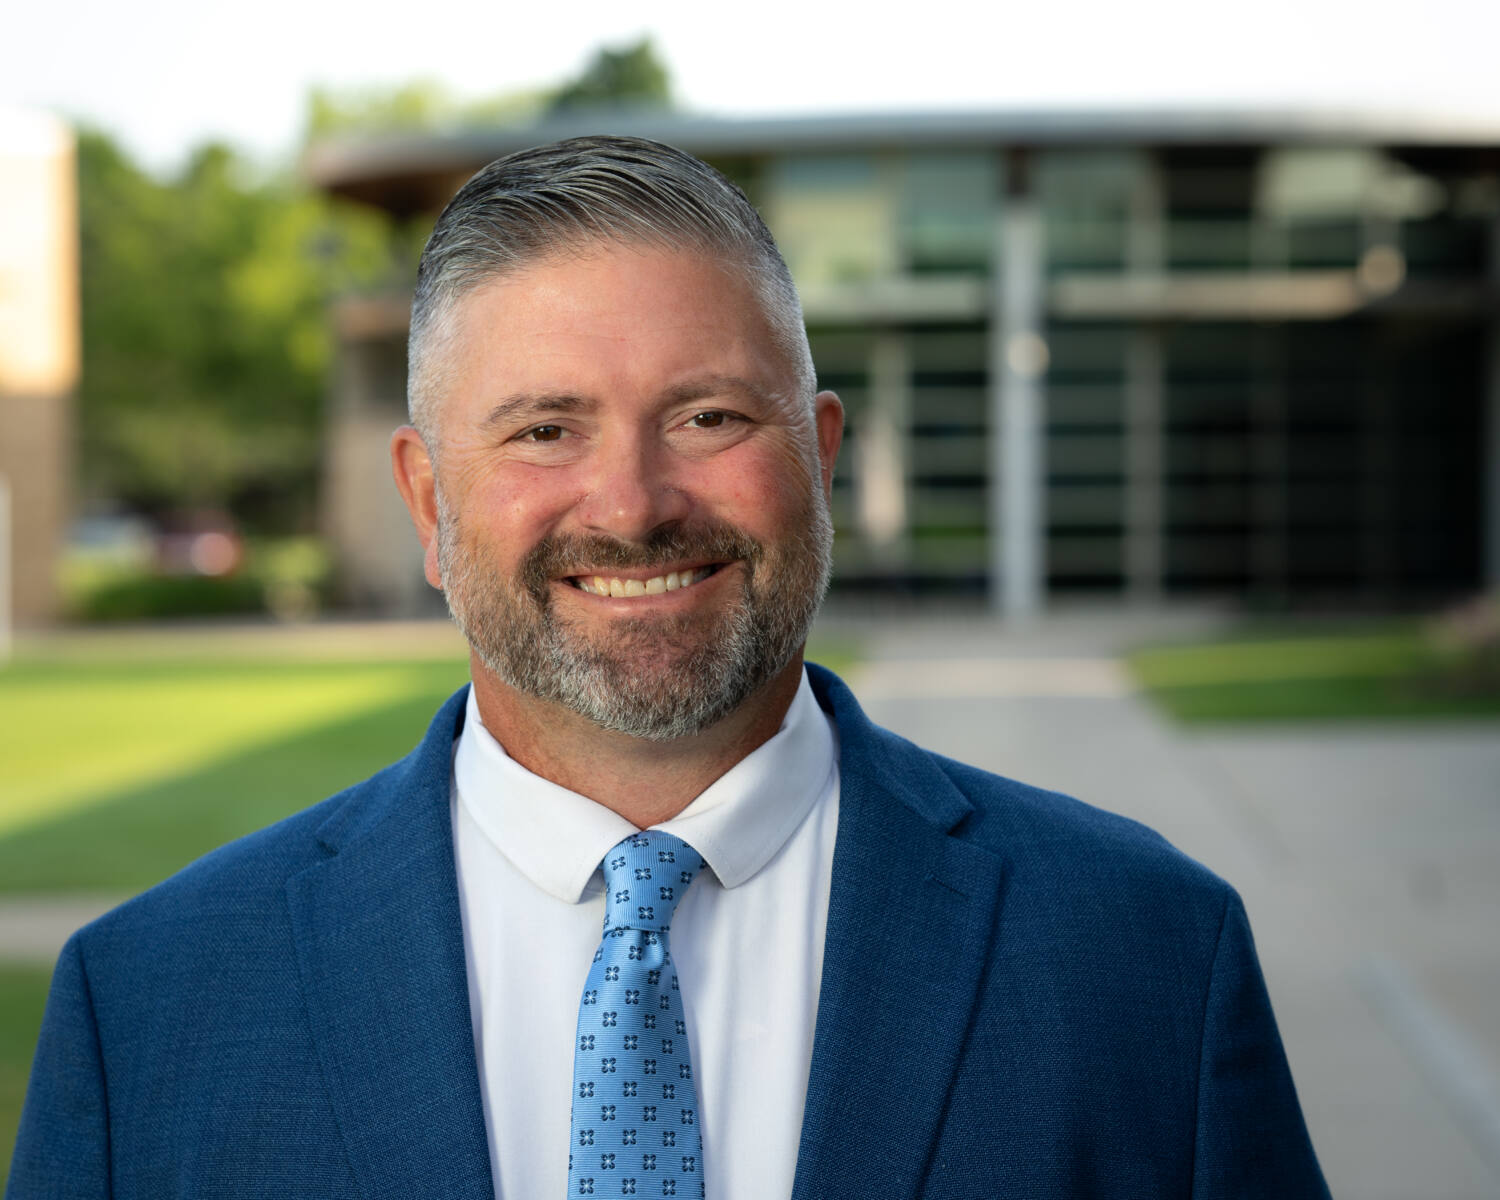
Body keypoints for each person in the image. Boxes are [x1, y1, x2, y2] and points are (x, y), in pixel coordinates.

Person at [8, 136, 1330, 1200]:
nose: (631, 504)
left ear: (819, 453)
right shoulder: (155, 1008)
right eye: (542, 428)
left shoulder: (1145, 952)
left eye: (706, 416)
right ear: (426, 503)